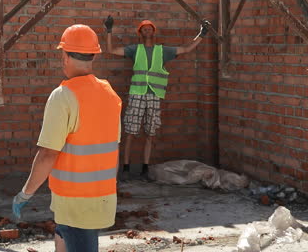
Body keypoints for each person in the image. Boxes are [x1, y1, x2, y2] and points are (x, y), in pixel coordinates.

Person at [12, 24, 122, 252]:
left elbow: (47, 154)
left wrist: (26, 192)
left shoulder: (63, 97)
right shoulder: (110, 94)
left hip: (75, 201)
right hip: (102, 197)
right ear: (93, 56)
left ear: (64, 56)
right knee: (65, 237)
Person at [104, 16, 209, 181]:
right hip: (137, 93)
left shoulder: (163, 51)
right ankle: (125, 168)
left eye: (150, 28)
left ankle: (145, 168)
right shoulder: (135, 50)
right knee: (130, 132)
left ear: (154, 32)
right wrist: (109, 30)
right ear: (140, 33)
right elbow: (111, 50)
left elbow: (186, 49)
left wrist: (201, 34)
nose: (147, 30)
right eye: (144, 28)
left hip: (154, 95)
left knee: (150, 133)